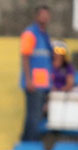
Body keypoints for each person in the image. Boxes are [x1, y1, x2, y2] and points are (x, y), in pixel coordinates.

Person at [20, 5, 53, 141]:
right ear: (36, 16)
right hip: (34, 83)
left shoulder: (44, 35)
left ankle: (27, 141)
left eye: (47, 15)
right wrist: (28, 79)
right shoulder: (30, 33)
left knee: (36, 115)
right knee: (34, 116)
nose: (45, 17)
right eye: (42, 14)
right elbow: (25, 56)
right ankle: (30, 142)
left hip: (44, 83)